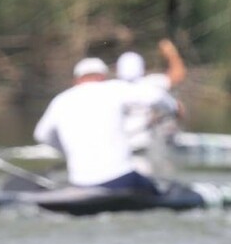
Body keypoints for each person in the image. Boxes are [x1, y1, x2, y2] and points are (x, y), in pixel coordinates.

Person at [33, 57, 160, 192]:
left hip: (81, 184)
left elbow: (41, 135)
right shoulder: (114, 88)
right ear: (102, 76)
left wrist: (66, 152)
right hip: (122, 179)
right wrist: (174, 108)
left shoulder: (60, 100)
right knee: (155, 189)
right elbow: (156, 97)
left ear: (76, 79)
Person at [115, 38, 186, 175]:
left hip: (118, 150)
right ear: (142, 68)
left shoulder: (109, 89)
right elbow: (178, 74)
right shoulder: (151, 86)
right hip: (143, 149)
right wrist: (171, 53)